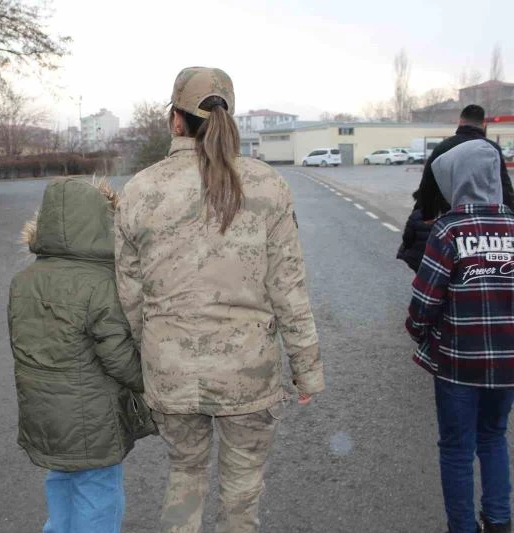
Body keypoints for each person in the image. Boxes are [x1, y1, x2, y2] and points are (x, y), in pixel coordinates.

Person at [115, 66, 323, 533]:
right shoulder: (267, 186)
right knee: (242, 488)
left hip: (171, 373)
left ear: (176, 121)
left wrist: (145, 356)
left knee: (184, 475)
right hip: (249, 376)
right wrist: (306, 368)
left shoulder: (140, 191)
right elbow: (289, 289)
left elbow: (129, 296)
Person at [405, 138, 514, 533]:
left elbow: (424, 302)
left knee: (457, 449)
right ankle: (498, 521)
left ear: (456, 180)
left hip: (458, 361)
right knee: (494, 437)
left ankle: (462, 527)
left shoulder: (448, 231)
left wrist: (424, 333)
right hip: (511, 362)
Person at [8, 178, 154, 533]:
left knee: (60, 483)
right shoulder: (100, 282)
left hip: (42, 411)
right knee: (98, 493)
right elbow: (116, 355)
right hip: (90, 417)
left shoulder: (24, 279)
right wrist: (149, 381)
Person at [399, 105, 514, 271]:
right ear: (483, 124)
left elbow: (427, 187)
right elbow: (504, 187)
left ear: (460, 121)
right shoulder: (491, 149)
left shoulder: (444, 147)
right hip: (484, 226)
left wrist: (425, 216)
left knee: (440, 272)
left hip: (446, 220)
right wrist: (509, 217)